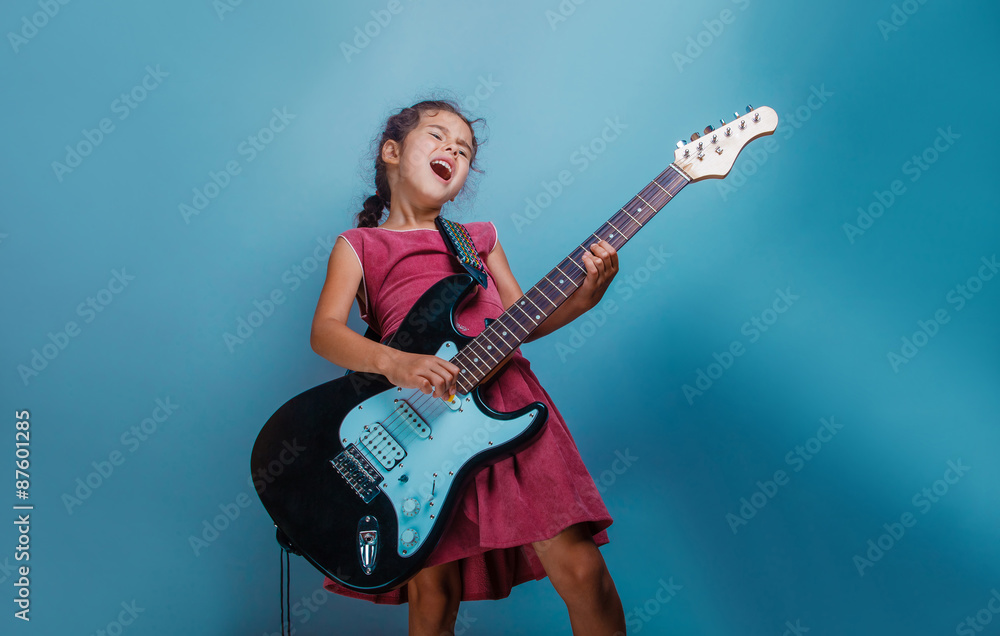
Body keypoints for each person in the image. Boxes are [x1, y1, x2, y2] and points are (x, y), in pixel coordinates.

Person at [310, 98, 626, 636]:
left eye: (464, 149)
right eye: (437, 137)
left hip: (509, 407)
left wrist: (582, 301)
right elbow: (326, 333)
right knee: (435, 596)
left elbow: (521, 318)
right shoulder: (361, 245)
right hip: (421, 429)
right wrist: (396, 362)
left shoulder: (477, 238)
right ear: (392, 152)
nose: (452, 150)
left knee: (580, 569)